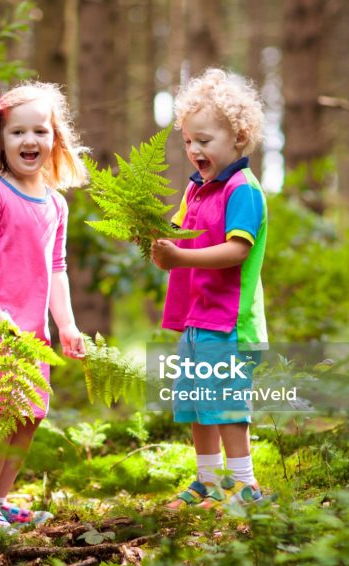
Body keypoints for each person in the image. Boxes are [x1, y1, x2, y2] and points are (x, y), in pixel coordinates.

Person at [0, 82, 87, 529]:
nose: (30, 141)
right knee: (6, 412)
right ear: (0, 139)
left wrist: (65, 324)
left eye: (40, 132)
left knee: (29, 415)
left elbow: (57, 268)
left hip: (32, 330)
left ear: (55, 139)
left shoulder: (56, 204)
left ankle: (0, 501)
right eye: (18, 133)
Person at [151, 68, 268, 510]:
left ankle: (245, 485)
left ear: (238, 137)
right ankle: (208, 481)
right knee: (197, 405)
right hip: (196, 319)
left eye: (204, 140)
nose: (194, 150)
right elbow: (179, 235)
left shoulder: (243, 190)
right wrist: (156, 236)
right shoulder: (197, 188)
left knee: (227, 407)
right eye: (187, 142)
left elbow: (236, 250)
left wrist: (178, 258)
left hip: (229, 322)